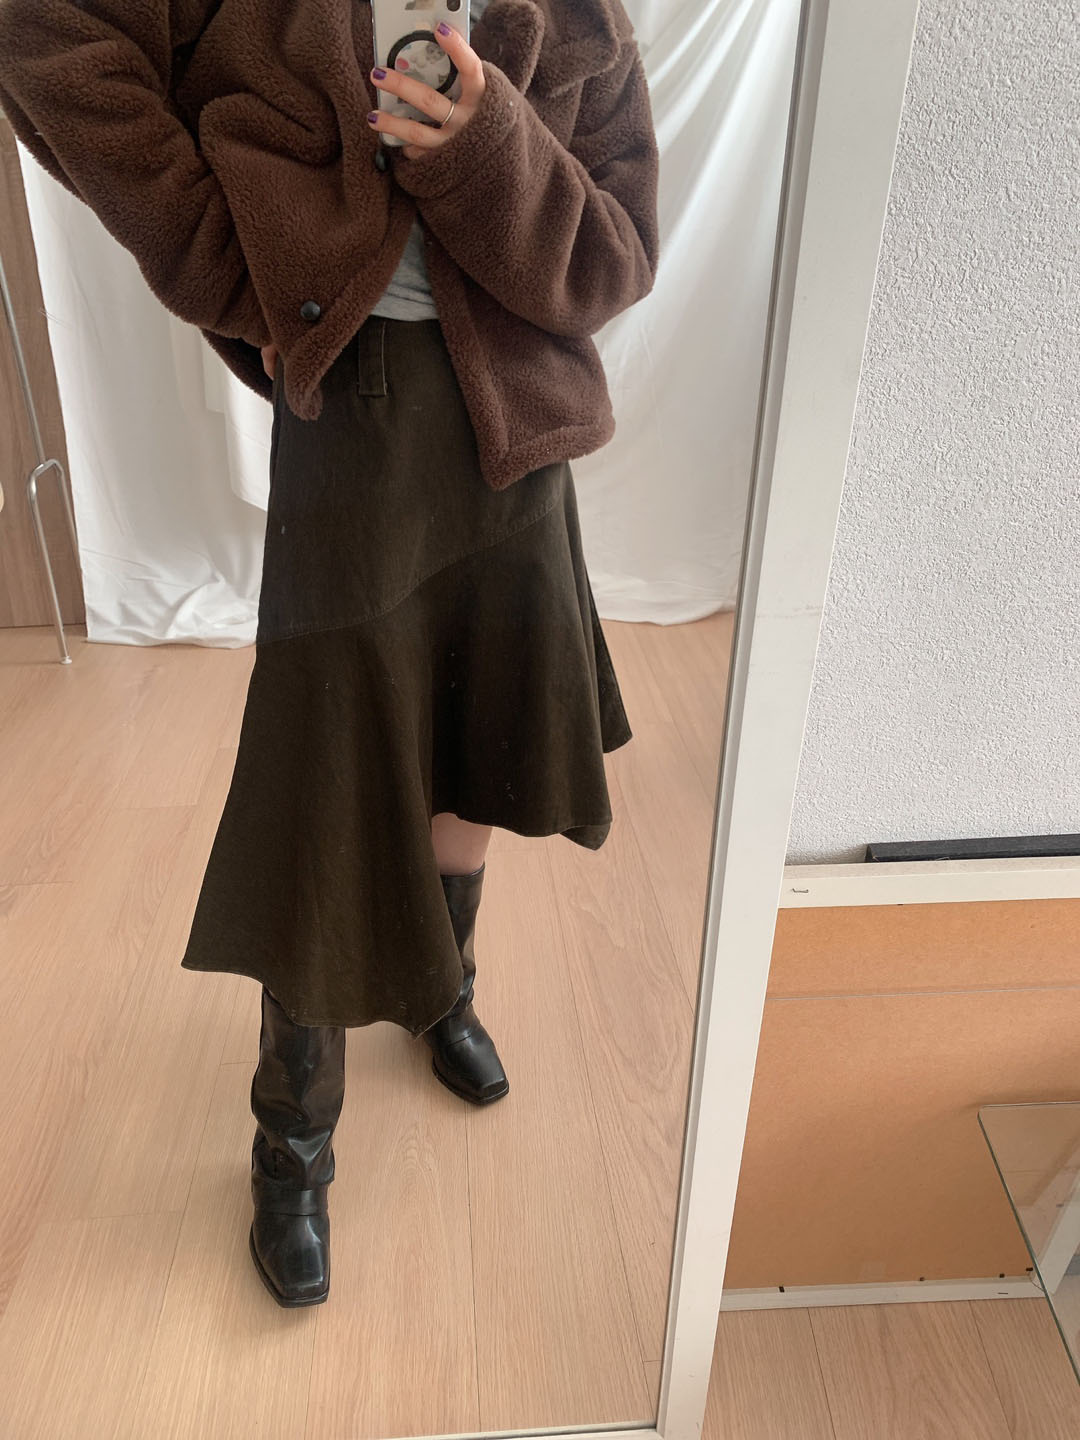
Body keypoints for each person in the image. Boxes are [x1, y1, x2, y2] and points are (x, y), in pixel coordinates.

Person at [0, 0, 660, 1307]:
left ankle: (441, 990)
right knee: (326, 796)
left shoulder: (570, 11)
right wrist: (229, 258)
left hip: (519, 437)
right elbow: (47, 31)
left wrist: (485, 141)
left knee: (483, 733)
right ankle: (291, 1147)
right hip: (354, 417)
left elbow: (611, 259)